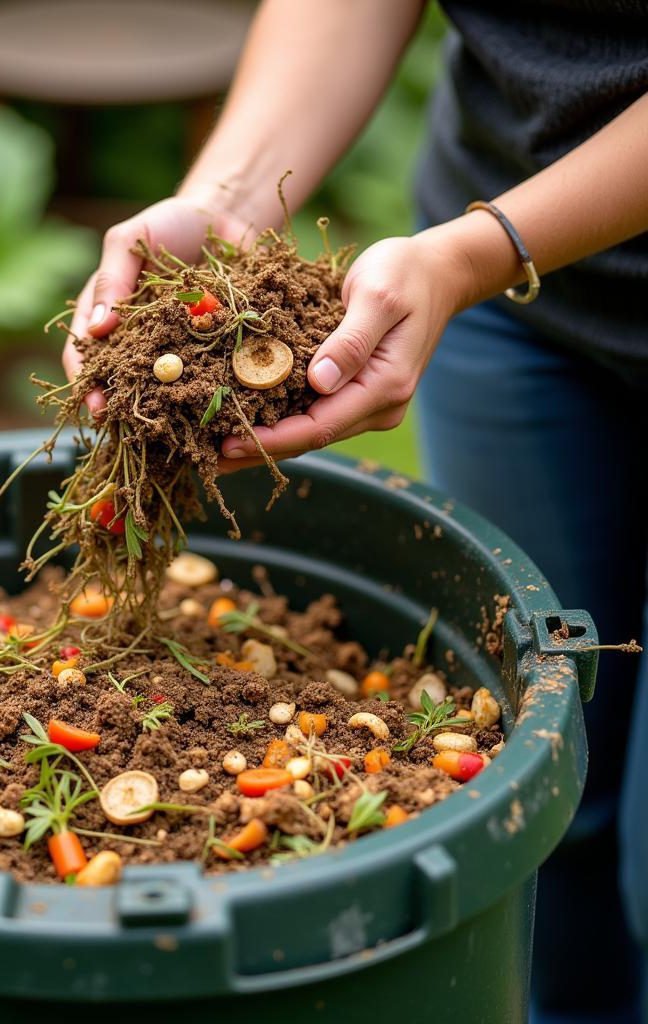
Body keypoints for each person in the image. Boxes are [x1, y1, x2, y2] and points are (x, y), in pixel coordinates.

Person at [62, 1, 648, 1020]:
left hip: (487, 253)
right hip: (514, 306)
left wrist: (474, 253)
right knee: (552, 792)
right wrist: (227, 200)